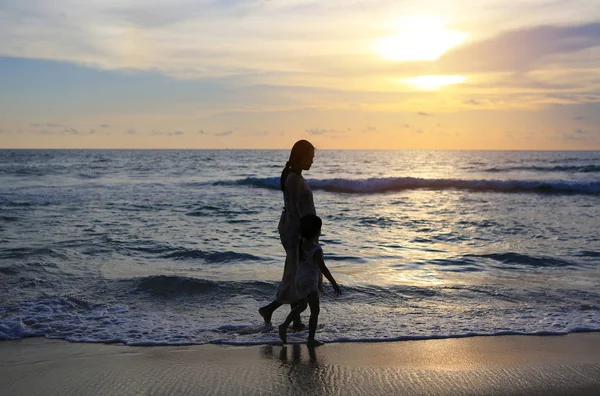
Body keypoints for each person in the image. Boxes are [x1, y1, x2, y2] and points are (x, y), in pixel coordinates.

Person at [259, 140, 316, 329]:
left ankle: (294, 319)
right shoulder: (293, 179)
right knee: (294, 273)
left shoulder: (296, 177)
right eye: (310, 157)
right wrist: (302, 238)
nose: (312, 162)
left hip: (298, 231)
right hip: (296, 232)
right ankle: (272, 309)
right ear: (301, 157)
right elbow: (294, 211)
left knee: (295, 272)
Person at [278, 214, 341, 347]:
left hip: (299, 280)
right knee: (315, 311)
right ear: (318, 231)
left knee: (301, 306)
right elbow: (322, 268)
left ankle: (284, 326)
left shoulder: (300, 245)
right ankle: (310, 339)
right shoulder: (316, 249)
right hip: (309, 283)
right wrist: (334, 283)